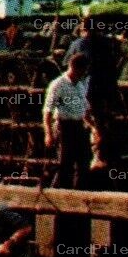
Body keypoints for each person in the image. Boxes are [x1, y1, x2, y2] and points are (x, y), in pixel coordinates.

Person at [43, 54, 93, 188]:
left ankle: (79, 193)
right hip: (64, 126)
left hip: (78, 126)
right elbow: (47, 111)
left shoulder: (80, 85)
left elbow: (85, 110)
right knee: (66, 163)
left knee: (84, 162)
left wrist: (93, 127)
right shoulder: (58, 84)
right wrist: (48, 134)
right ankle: (63, 193)